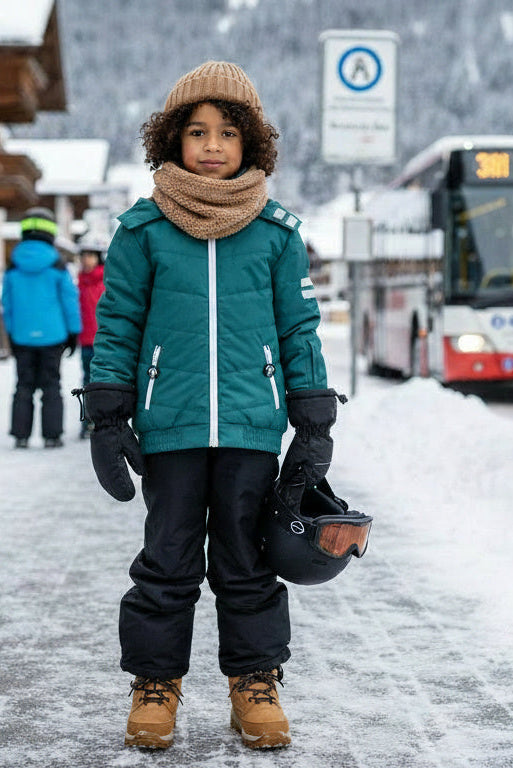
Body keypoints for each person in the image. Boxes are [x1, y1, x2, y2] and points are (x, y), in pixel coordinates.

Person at [81, 61, 341, 750]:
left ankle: (254, 680)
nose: (213, 145)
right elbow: (117, 322)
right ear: (172, 140)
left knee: (246, 560)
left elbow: (298, 329)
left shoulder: (277, 233)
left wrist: (313, 417)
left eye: (228, 132)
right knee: (166, 561)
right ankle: (154, 685)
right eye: (196, 131)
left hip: (252, 427)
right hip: (170, 426)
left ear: (251, 143)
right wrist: (107, 411)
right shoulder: (142, 230)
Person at [2, 207, 81, 448]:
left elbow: (8, 304)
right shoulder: (57, 264)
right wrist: (73, 332)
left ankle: (21, 435)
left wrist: (12, 334)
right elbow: (69, 300)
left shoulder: (13, 265)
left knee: (23, 385)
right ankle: (52, 435)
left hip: (22, 336)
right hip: (53, 335)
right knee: (51, 385)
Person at [77, 236, 105, 438]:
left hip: (103, 341)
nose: (86, 260)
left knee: (103, 382)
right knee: (87, 381)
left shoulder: (106, 281)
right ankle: (88, 420)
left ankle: (104, 419)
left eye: (90, 256)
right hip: (86, 341)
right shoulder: (79, 282)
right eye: (83, 256)